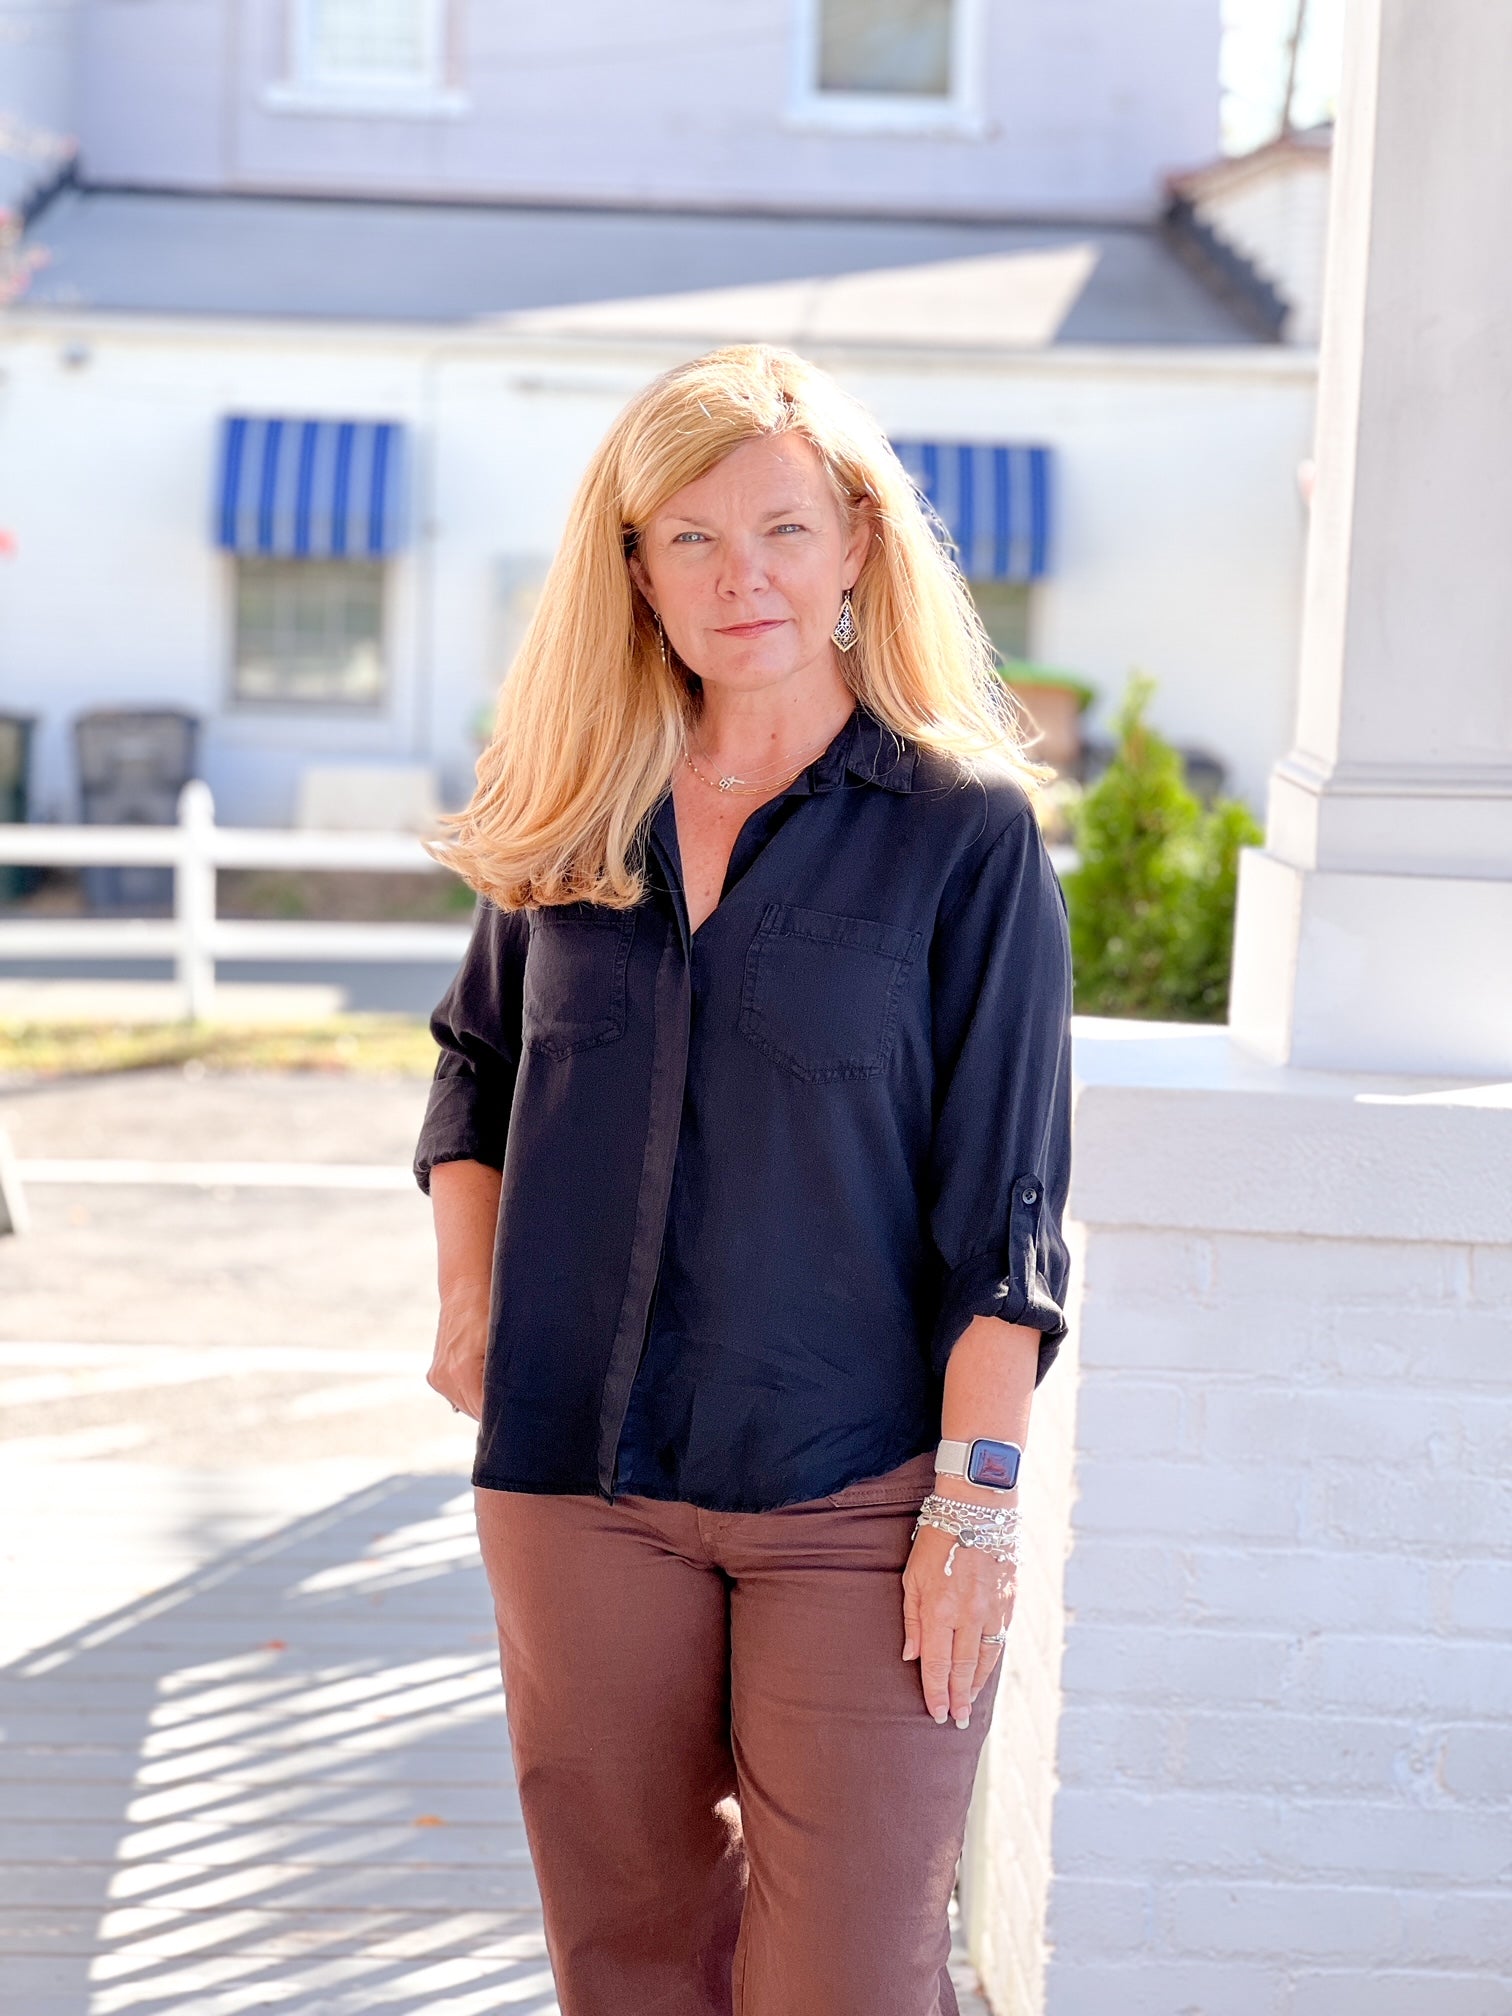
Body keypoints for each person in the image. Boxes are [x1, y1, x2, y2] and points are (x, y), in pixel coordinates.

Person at [412, 342, 1073, 2016]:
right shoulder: (574, 807)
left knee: (850, 1975)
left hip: (856, 1492)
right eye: (690, 541)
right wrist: (470, 1297)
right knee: (628, 1966)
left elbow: (1009, 1214)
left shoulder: (963, 836)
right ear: (634, 571)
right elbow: (477, 1066)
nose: (741, 578)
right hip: (575, 1482)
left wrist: (975, 1507)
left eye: (781, 530)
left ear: (856, 543)